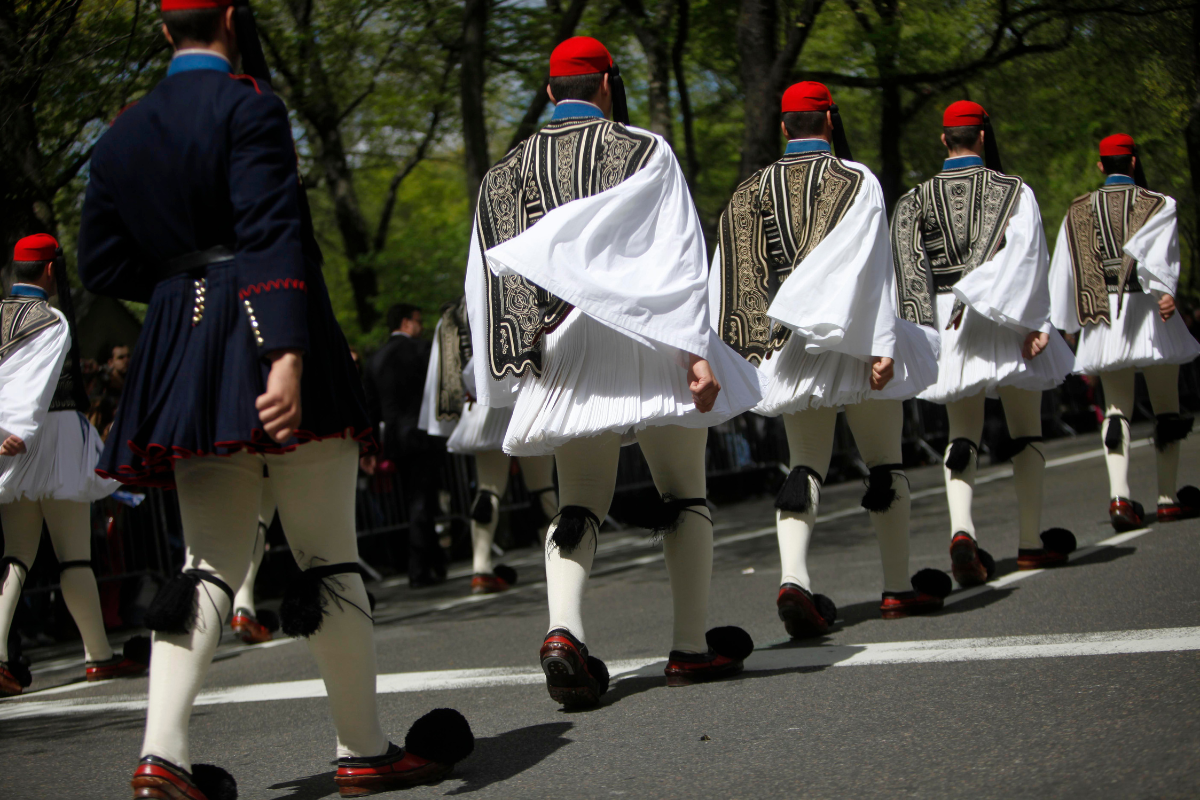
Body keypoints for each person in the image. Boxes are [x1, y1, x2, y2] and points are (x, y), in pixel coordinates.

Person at [77, 2, 473, 796]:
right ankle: (362, 749)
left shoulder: (119, 134)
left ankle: (164, 755)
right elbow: (270, 228)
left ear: (164, 31)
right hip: (271, 330)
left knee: (205, 565)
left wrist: (186, 283)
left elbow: (101, 264)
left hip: (186, 350)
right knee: (329, 554)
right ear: (228, 17)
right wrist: (284, 354)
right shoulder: (250, 105)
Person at [467, 36, 763, 708]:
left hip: (565, 346)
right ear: (607, 84)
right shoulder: (644, 149)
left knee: (579, 501)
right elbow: (677, 249)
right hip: (648, 336)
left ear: (548, 93)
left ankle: (563, 633)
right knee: (684, 491)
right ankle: (690, 646)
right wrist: (695, 350)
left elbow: (487, 279)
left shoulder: (502, 173)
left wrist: (509, 373)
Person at [711, 82, 948, 636]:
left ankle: (794, 578)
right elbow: (871, 267)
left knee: (805, 464)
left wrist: (753, 345)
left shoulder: (750, 189)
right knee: (884, 462)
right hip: (854, 340)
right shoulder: (856, 178)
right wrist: (882, 344)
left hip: (789, 348)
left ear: (784, 127)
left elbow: (734, 273)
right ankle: (895, 587)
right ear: (830, 123)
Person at [890, 100, 1077, 587]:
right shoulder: (1014, 191)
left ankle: (961, 531)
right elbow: (1029, 254)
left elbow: (910, 274)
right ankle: (1031, 542)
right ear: (984, 136)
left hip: (948, 317)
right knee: (1025, 430)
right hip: (1005, 314)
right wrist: (1035, 320)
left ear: (943, 140)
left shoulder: (914, 199)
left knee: (961, 431)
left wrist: (920, 333)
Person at [0, 234, 144, 697]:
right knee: (73, 554)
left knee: (17, 555)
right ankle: (98, 655)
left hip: (9, 440)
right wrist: (19, 425)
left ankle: (0, 655)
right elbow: (36, 384)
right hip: (52, 434)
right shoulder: (51, 318)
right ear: (48, 270)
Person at [1049, 133, 1200, 530]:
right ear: (1134, 162)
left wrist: (1067, 323)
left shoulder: (1078, 210)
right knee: (1166, 405)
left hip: (1104, 317)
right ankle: (1167, 498)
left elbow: (1064, 269)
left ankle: (1119, 497)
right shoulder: (1159, 202)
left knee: (1116, 408)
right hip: (1150, 313)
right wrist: (1165, 291)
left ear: (1101, 165)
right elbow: (1160, 252)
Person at [418, 298, 558, 595]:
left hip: (484, 403)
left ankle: (480, 567)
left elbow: (446, 369)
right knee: (541, 487)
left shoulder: (455, 312)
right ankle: (558, 563)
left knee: (488, 489)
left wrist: (448, 416)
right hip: (524, 398)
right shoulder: (523, 289)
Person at [364, 303, 448, 587]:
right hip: (424, 435)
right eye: (418, 320)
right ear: (406, 322)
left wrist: (370, 448)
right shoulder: (423, 351)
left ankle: (434, 562)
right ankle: (419, 568)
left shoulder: (375, 359)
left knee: (416, 500)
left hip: (396, 441)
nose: (421, 325)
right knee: (422, 501)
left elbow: (371, 410)